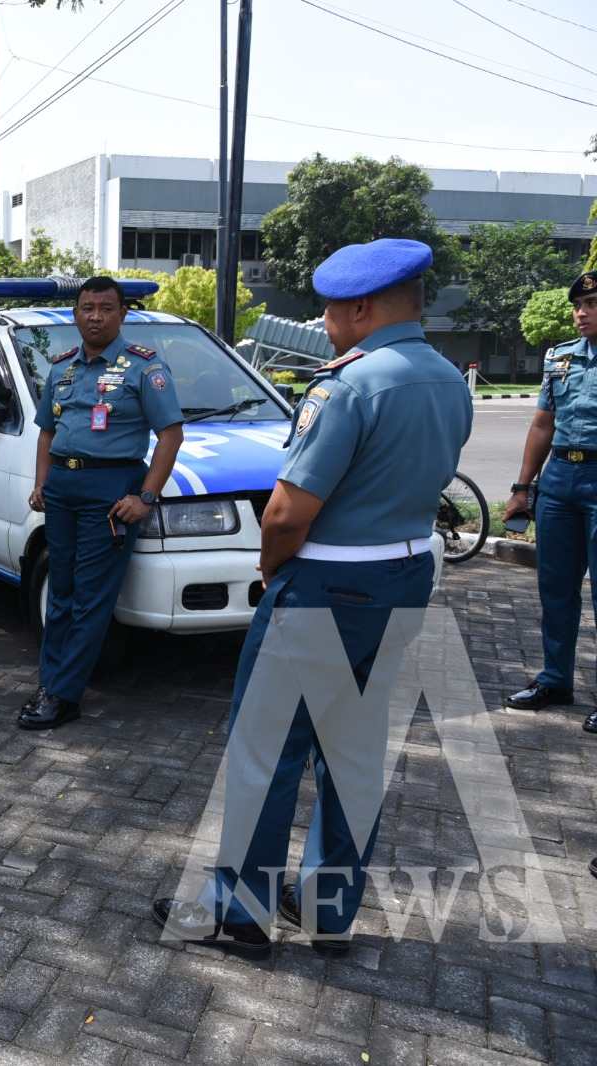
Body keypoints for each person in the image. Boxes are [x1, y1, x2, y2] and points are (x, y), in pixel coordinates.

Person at [152, 238, 471, 955]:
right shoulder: (449, 378)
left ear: (361, 308)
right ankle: (328, 909)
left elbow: (288, 513)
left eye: (330, 308)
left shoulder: (347, 386)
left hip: (326, 582)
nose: (323, 321)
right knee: (353, 748)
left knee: (267, 750)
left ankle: (241, 914)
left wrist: (270, 571)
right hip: (405, 577)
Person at [18, 277, 184, 730]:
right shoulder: (63, 368)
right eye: (87, 308)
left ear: (122, 314)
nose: (95, 316)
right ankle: (51, 682)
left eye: (105, 308)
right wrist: (41, 483)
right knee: (60, 594)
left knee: (90, 600)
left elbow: (170, 435)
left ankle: (63, 695)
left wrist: (145, 497)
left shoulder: (143, 368)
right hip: (63, 490)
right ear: (75, 314)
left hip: (110, 493)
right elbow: (47, 432)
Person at [504, 270, 597, 729]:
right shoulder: (560, 359)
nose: (582, 312)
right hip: (560, 477)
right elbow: (542, 424)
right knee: (555, 588)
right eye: (578, 305)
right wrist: (523, 488)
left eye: (593, 305)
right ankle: (555, 679)